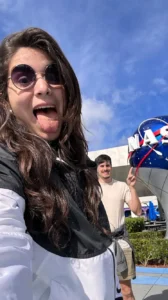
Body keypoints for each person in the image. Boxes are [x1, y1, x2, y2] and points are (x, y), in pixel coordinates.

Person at [0, 27, 122, 300]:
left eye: (53, 75)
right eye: (23, 77)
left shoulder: (80, 170)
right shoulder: (5, 163)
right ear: (4, 99)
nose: (43, 87)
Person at [95, 154, 142, 300]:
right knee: (100, 290)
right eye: (102, 166)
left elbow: (137, 210)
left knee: (126, 291)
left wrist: (132, 187)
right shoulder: (91, 189)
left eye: (107, 165)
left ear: (111, 167)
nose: (105, 168)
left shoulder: (121, 186)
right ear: (96, 169)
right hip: (99, 244)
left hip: (120, 242)